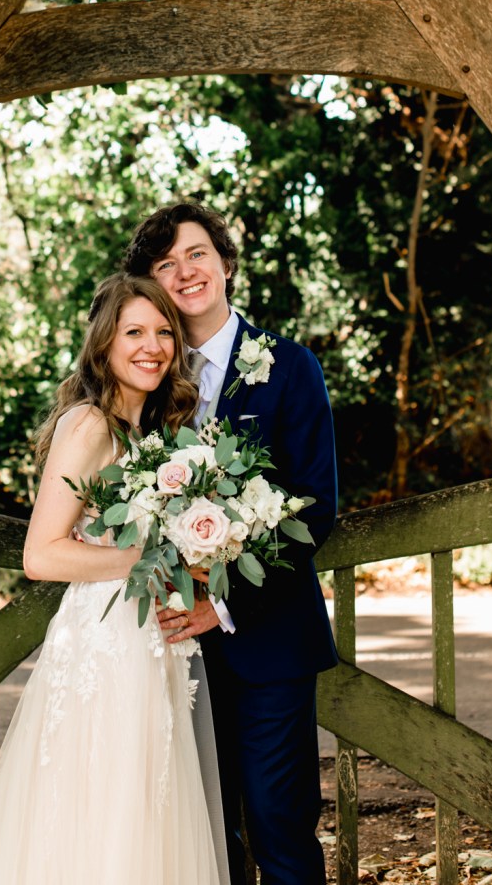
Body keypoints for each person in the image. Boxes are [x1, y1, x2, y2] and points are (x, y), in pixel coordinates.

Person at [0, 272, 229, 885]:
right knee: (99, 806)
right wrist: (156, 559)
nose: (152, 345)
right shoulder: (89, 424)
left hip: (150, 643)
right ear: (104, 345)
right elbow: (41, 555)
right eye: (134, 331)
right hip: (105, 646)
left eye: (163, 332)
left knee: (146, 806)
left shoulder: (151, 434)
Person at [124, 202, 338, 885]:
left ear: (222, 261)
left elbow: (314, 505)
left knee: (279, 825)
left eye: (195, 253)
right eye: (164, 265)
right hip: (172, 651)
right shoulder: (147, 376)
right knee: (199, 835)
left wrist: (222, 605)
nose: (183, 272)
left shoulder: (289, 366)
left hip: (269, 643)